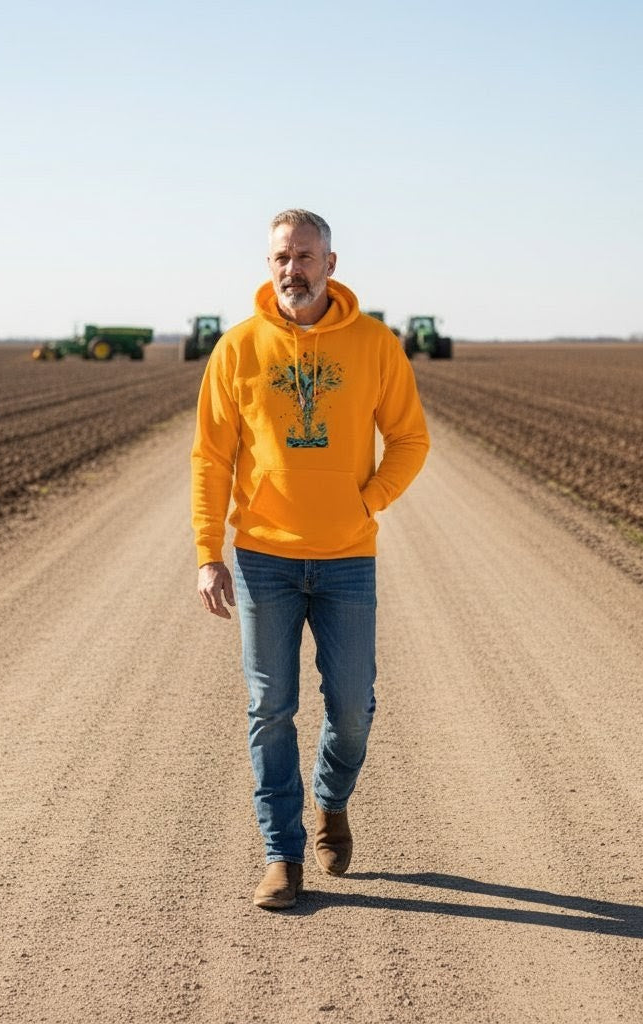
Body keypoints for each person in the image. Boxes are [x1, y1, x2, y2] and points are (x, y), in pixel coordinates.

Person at [191, 209, 430, 910]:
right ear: (268, 266)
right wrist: (209, 553)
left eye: (303, 256)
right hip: (265, 557)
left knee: (353, 709)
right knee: (270, 708)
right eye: (279, 258)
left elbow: (411, 439)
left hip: (347, 560)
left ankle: (331, 799)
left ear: (331, 262)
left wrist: (369, 500)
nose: (290, 269)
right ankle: (282, 855)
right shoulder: (237, 349)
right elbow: (210, 457)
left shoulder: (375, 344)